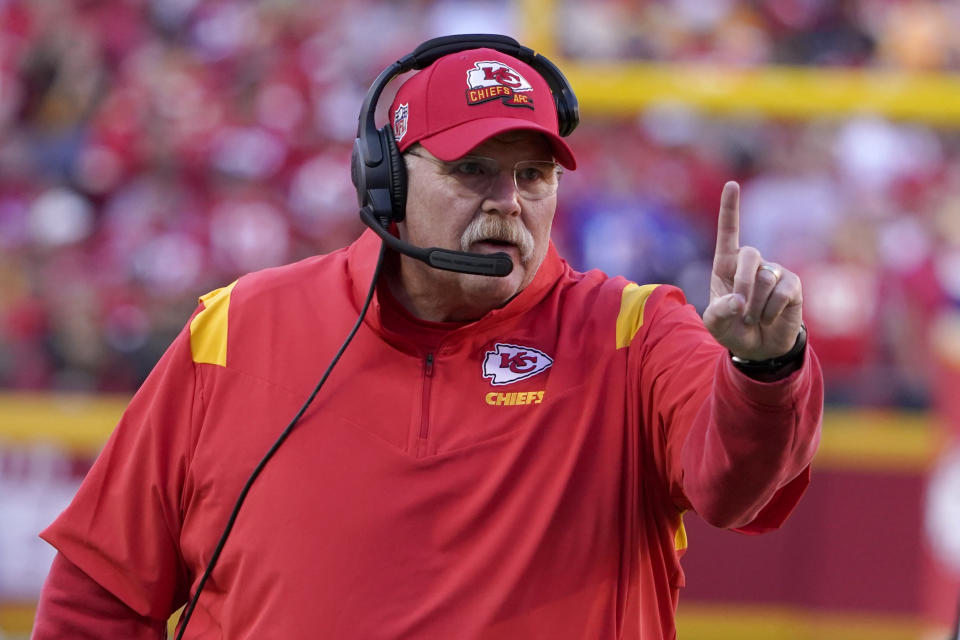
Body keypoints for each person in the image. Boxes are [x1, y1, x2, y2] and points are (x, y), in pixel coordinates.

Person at [32, 36, 823, 640]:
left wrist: (764, 367)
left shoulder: (632, 330)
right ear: (387, 180)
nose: (509, 201)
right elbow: (99, 592)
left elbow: (734, 484)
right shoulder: (238, 329)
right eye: (475, 169)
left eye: (533, 176)